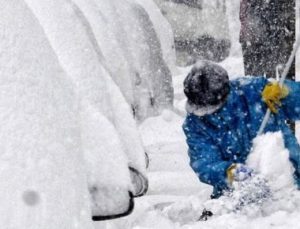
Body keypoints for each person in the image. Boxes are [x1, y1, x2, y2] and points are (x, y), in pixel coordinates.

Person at [182, 60, 300, 198]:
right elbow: (204, 163)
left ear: (225, 94)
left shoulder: (255, 92)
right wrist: (229, 172)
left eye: (212, 107)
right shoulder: (195, 124)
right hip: (237, 195)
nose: (207, 113)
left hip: (288, 181)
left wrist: (287, 92)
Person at [239, 0, 295, 79]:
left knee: (263, 74)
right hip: (256, 39)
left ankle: (265, 86)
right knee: (256, 74)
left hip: (261, 39)